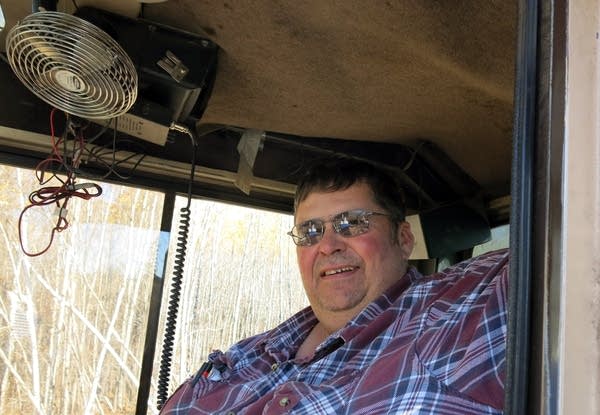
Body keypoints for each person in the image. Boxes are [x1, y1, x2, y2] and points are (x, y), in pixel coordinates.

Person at [159, 156, 508, 414]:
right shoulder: (247, 354)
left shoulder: (461, 313)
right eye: (310, 231)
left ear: (404, 239)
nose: (327, 245)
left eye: (352, 223)